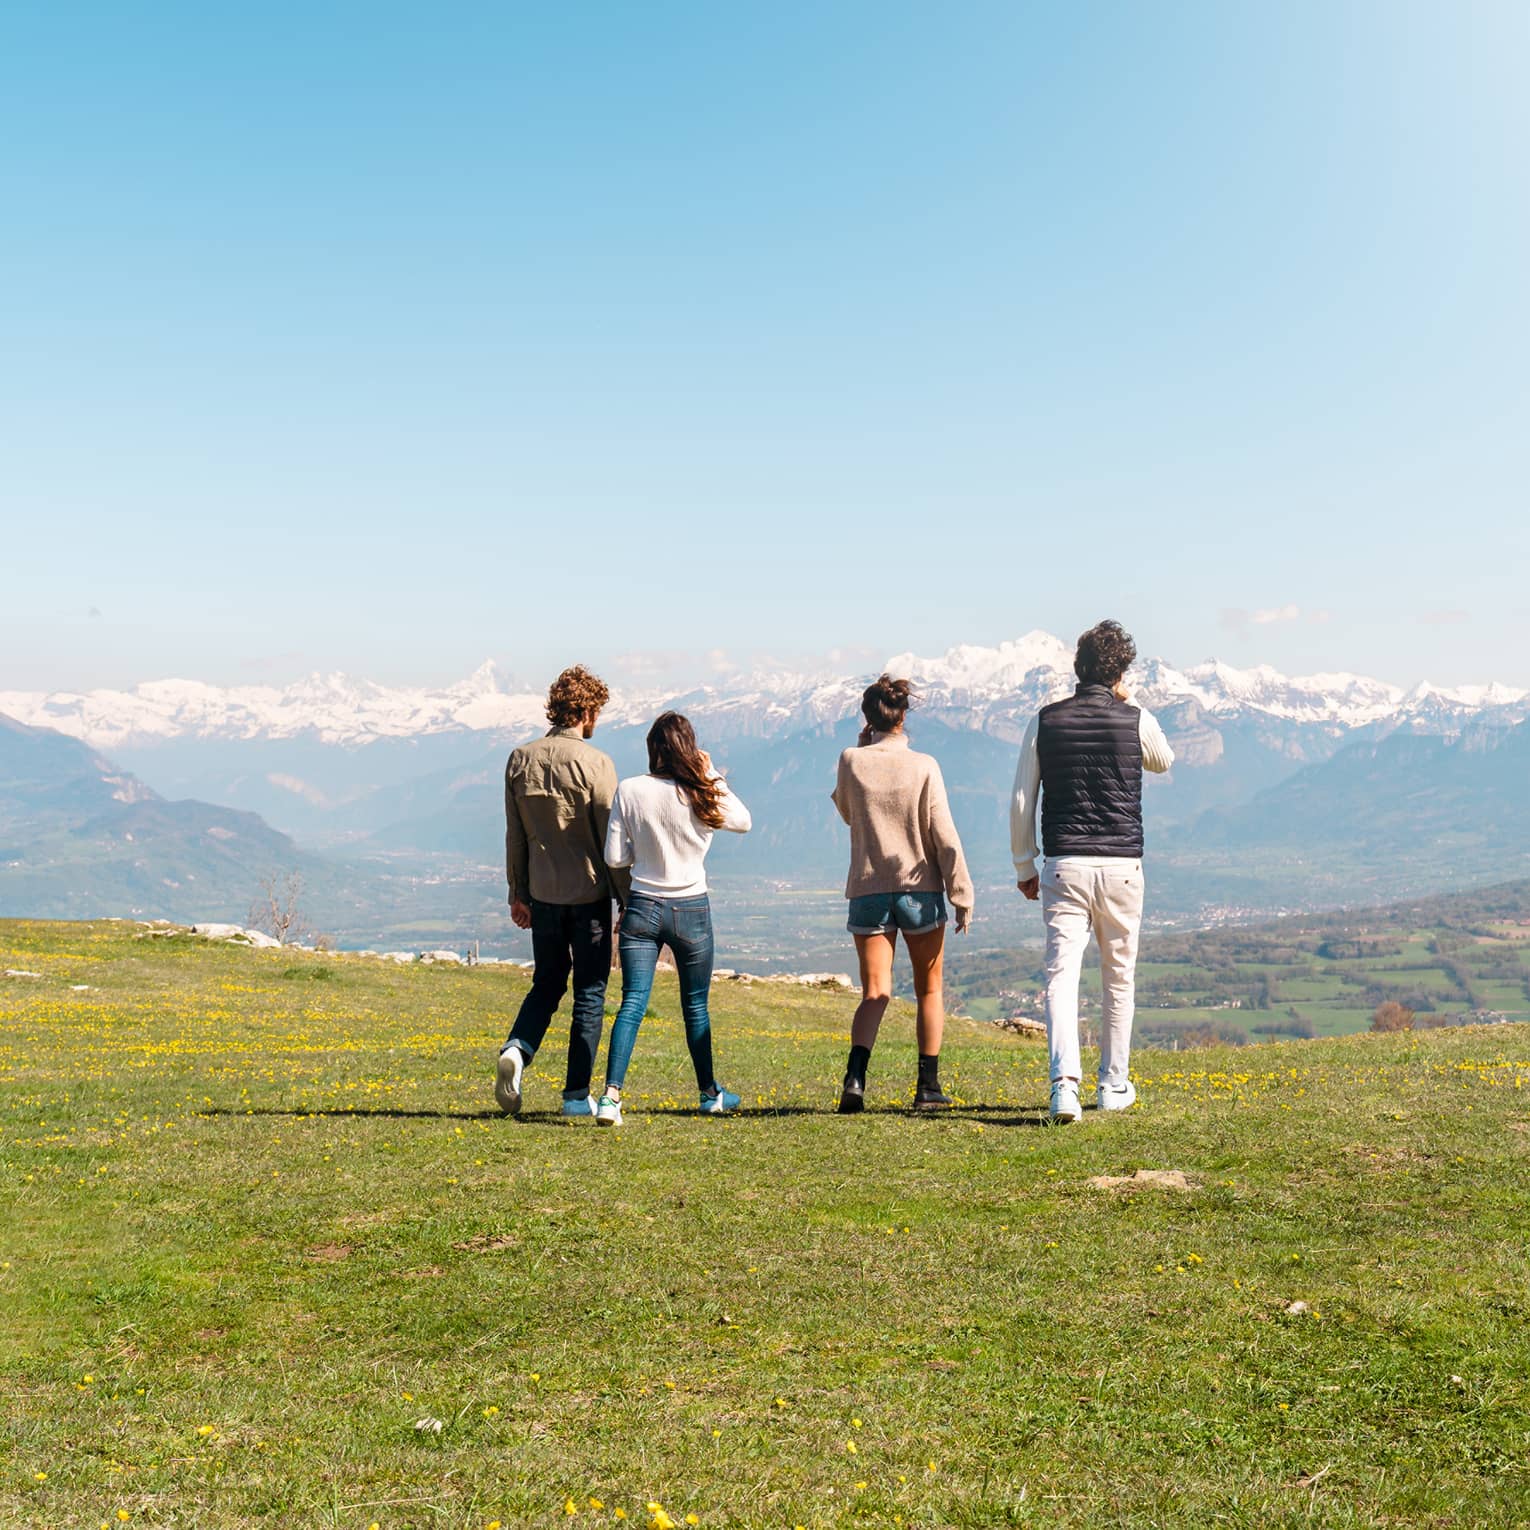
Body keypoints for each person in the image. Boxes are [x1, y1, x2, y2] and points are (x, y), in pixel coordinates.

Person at [1010, 620, 1175, 1123]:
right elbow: (1163, 760)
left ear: (1077, 668)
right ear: (1119, 670)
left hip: (1065, 863)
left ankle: (1064, 1086)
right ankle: (1113, 1083)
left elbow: (1022, 798)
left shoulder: (1045, 720)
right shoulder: (1134, 718)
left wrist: (1025, 863)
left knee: (1061, 976)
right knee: (1118, 977)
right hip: (1123, 865)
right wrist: (1130, 700)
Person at [594, 712, 752, 1126]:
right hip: (692, 909)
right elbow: (743, 821)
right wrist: (710, 770)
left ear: (652, 749)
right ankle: (708, 1093)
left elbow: (614, 858)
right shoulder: (701, 792)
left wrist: (640, 852)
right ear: (690, 748)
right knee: (695, 1006)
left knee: (632, 1001)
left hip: (642, 906)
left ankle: (610, 1098)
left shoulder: (630, 790)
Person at [831, 675, 974, 1114]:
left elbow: (847, 812)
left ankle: (855, 1079)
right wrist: (961, 891)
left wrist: (861, 748)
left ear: (867, 718)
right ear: (904, 716)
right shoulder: (924, 765)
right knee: (930, 990)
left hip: (868, 889)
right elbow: (944, 834)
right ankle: (927, 1088)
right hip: (920, 889)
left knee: (875, 992)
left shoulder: (851, 759)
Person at [497, 665, 629, 1120]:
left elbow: (515, 835)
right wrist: (626, 898)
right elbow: (612, 842)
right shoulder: (596, 764)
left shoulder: (520, 759)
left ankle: (518, 1047)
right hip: (589, 895)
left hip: (543, 895)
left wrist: (518, 892)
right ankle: (575, 1095)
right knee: (590, 991)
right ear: (587, 710)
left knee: (547, 982)